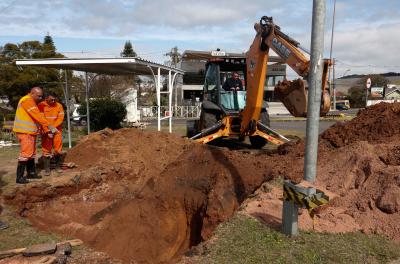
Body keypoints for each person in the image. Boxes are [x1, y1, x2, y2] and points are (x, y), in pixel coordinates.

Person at [12, 87, 58, 184]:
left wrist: (45, 129)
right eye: (39, 96)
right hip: (25, 132)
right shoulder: (27, 100)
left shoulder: (31, 101)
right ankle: (19, 178)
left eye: (41, 96)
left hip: (30, 132)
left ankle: (31, 173)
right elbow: (37, 115)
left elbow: (36, 118)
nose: (40, 98)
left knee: (31, 154)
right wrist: (49, 126)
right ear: (32, 93)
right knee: (26, 154)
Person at [38, 92, 64, 176]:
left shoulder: (59, 105)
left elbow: (60, 118)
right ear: (46, 99)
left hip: (56, 130)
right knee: (46, 150)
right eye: (51, 99)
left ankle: (58, 167)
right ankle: (47, 169)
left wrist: (53, 128)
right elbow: (41, 120)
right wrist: (47, 131)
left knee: (58, 149)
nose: (53, 101)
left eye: (54, 99)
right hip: (46, 131)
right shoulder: (41, 105)